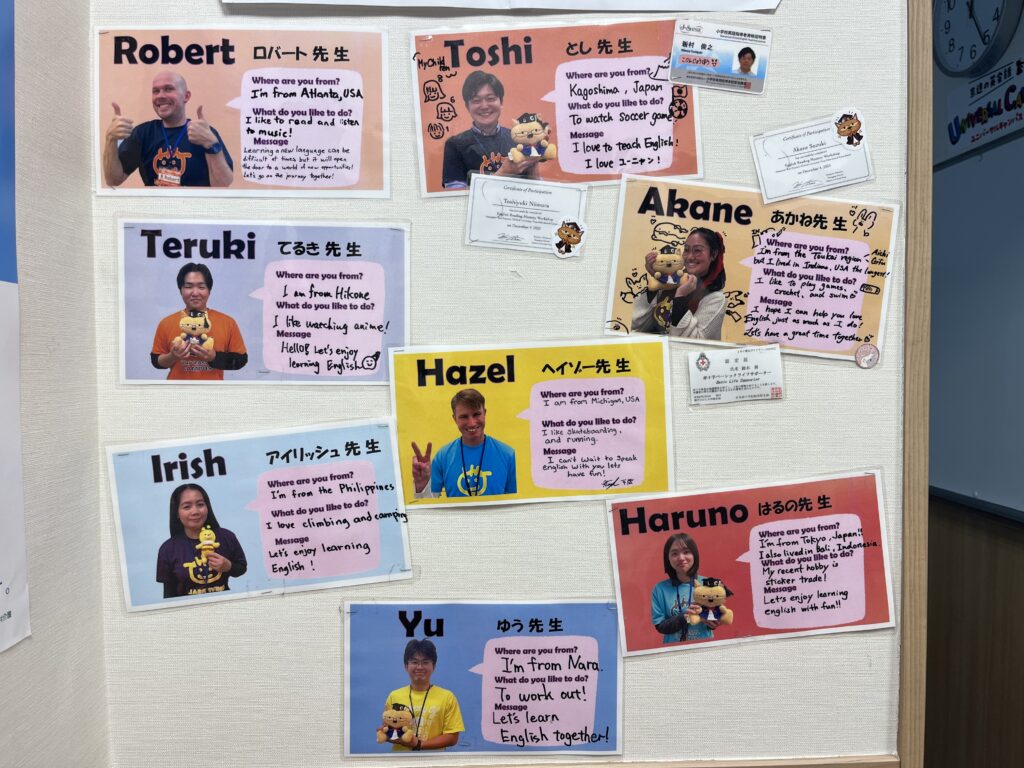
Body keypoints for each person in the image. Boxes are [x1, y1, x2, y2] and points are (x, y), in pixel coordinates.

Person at [103, 70, 233, 187]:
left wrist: (211, 144)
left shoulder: (204, 133)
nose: (160, 96)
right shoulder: (143, 133)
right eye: (155, 91)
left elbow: (222, 185)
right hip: (155, 205)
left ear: (186, 96)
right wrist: (110, 139)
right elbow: (113, 180)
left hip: (193, 206)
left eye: (168, 89)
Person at [441, 70, 542, 190]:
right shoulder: (454, 145)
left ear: (501, 102)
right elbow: (454, 195)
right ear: (467, 106)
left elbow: (536, 189)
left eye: (490, 98)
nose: (484, 106)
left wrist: (534, 165)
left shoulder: (519, 138)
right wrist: (503, 173)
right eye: (476, 100)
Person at [411, 388, 516, 499]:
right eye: (464, 417)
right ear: (454, 418)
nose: (471, 423)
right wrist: (421, 486)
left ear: (484, 413)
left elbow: (515, 504)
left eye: (476, 414)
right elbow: (429, 505)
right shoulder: (443, 457)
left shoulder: (508, 455)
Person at [151, 263, 248, 381]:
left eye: (201, 287)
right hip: (177, 390)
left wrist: (214, 357)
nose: (195, 293)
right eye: (188, 286)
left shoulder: (227, 322)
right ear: (180, 290)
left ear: (209, 290)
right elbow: (156, 361)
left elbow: (241, 360)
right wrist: (172, 356)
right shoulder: (166, 323)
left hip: (213, 390)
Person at [631, 227, 727, 340]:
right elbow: (636, 324)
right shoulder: (671, 282)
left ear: (713, 254)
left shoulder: (716, 298)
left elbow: (695, 342)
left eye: (697, 250)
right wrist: (657, 281)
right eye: (686, 250)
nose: (690, 257)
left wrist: (680, 297)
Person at [156, 483, 247, 598]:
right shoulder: (168, 549)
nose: (195, 511)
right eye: (187, 507)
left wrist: (229, 567)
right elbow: (169, 594)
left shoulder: (227, 537)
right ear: (177, 513)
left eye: (200, 504)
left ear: (207, 507)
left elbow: (242, 568)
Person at [379, 639, 464, 751]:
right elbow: (389, 728)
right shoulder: (394, 696)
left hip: (434, 760)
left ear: (433, 666)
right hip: (401, 759)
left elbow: (452, 737)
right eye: (414, 662)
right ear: (406, 666)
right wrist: (387, 734)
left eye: (425, 662)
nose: (419, 667)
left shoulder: (447, 697)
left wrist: (419, 744)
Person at [651, 533, 716, 643]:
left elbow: (716, 614)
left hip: (704, 646)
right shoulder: (659, 589)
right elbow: (660, 626)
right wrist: (686, 616)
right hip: (674, 649)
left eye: (686, 552)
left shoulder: (708, 584)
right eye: (674, 553)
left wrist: (713, 623)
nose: (681, 558)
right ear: (668, 558)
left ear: (694, 554)